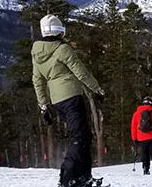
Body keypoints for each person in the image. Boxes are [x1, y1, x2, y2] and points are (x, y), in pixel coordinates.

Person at [32, 15, 105, 187]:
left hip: (57, 101)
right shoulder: (63, 49)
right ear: (59, 30)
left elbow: (38, 80)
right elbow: (81, 72)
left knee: (84, 136)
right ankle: (68, 177)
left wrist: (43, 106)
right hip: (71, 96)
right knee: (79, 137)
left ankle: (84, 177)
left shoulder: (36, 52)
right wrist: (97, 89)